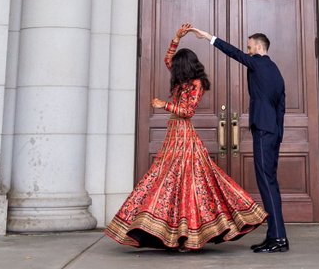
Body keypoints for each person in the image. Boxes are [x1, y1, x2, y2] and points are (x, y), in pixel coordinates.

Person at [105, 23, 266, 251]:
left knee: (190, 182)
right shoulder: (183, 81)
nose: (173, 69)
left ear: (184, 67)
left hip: (184, 135)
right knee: (166, 181)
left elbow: (187, 111)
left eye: (177, 67)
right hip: (174, 134)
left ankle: (190, 235)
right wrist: (176, 38)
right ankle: (168, 233)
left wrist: (164, 104)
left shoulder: (196, 84)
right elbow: (167, 60)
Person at [190, 26, 288, 254]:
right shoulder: (276, 71)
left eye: (250, 46)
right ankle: (275, 235)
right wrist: (279, 135)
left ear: (259, 47)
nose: (248, 50)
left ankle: (279, 238)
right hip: (272, 132)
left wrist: (208, 37)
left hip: (263, 131)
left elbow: (233, 52)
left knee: (267, 184)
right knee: (270, 183)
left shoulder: (259, 62)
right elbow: (281, 108)